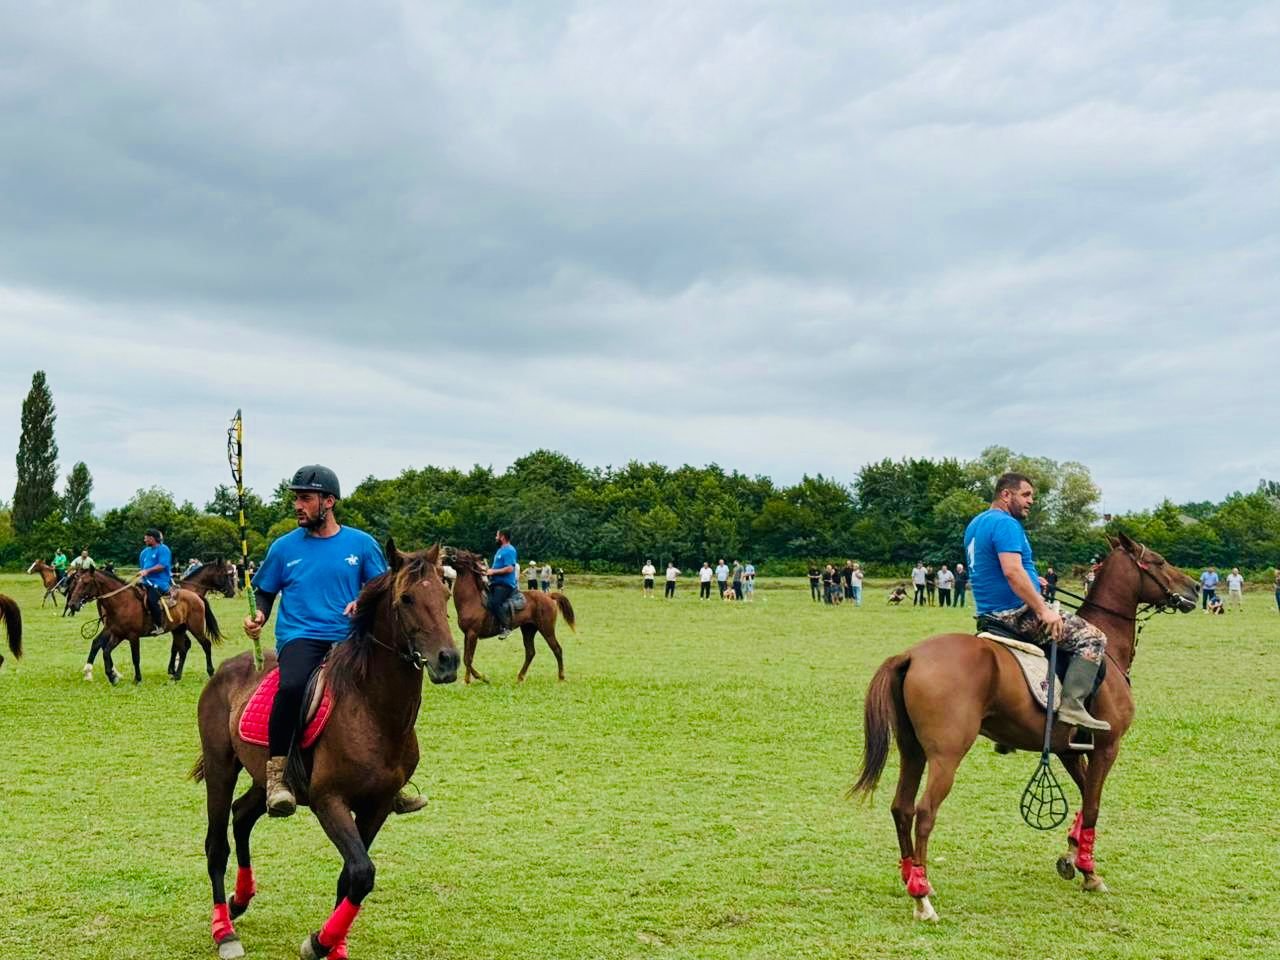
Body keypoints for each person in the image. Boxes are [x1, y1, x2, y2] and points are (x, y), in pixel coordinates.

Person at [244, 464, 421, 818]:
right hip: (302, 637)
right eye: (296, 499)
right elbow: (264, 591)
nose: (297, 505)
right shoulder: (283, 548)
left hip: (351, 639)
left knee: (387, 692)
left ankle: (391, 779)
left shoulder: (361, 544)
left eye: (305, 498)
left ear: (329, 501)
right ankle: (277, 776)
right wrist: (259, 614)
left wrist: (361, 600)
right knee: (292, 687)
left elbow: (382, 589)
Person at [965, 472, 1109, 731]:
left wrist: (1033, 581)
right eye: (1026, 495)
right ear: (1006, 494)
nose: (1031, 501)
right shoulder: (1006, 524)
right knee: (1093, 638)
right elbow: (1012, 571)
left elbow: (994, 566)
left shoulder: (976, 523)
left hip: (988, 613)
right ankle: (1073, 706)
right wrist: (1043, 610)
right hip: (1016, 613)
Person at [137, 529, 173, 635]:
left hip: (160, 582)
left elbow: (162, 566)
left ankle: (159, 625)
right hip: (145, 582)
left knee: (152, 600)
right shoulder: (144, 552)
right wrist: (142, 575)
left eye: (146, 538)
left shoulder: (163, 549)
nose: (144, 540)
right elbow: (142, 568)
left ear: (152, 538)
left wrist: (147, 571)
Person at [486, 531, 519, 638]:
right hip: (495, 583)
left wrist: (493, 572)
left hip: (505, 585)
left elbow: (510, 568)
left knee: (495, 603)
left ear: (502, 537)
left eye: (497, 536)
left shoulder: (510, 550)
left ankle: (506, 627)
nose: (495, 537)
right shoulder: (500, 550)